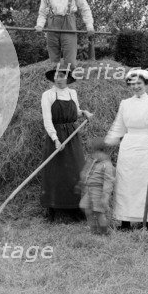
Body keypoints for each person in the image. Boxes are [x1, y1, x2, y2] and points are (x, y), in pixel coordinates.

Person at [105, 69, 148, 231]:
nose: (136, 87)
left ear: (146, 84)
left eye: (139, 83)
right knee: (126, 182)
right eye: (132, 84)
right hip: (128, 147)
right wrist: (109, 140)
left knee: (147, 182)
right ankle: (125, 221)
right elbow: (119, 126)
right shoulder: (125, 104)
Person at [40, 62, 93, 221]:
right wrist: (55, 139)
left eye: (62, 75)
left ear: (68, 77)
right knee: (56, 172)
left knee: (75, 170)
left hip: (72, 136)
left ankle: (75, 208)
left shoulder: (73, 93)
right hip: (56, 136)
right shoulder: (47, 95)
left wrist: (84, 112)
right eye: (56, 76)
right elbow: (47, 120)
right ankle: (55, 208)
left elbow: (75, 111)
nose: (59, 79)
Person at [35, 0, 94, 67]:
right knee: (53, 60)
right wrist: (39, 25)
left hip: (69, 23)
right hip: (52, 24)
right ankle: (56, 81)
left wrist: (89, 26)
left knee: (70, 61)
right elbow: (42, 12)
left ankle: (70, 79)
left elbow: (84, 8)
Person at [78, 137, 115, 235]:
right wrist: (83, 181)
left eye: (96, 152)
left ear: (103, 152)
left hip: (99, 191)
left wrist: (105, 196)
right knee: (87, 210)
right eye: (93, 152)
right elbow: (85, 173)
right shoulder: (92, 161)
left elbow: (108, 181)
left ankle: (104, 232)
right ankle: (93, 230)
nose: (94, 154)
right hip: (89, 190)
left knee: (99, 212)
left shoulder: (106, 164)